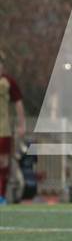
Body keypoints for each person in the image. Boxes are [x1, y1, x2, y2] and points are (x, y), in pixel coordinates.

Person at [0, 50, 26, 204]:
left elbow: (18, 103)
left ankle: (1, 195)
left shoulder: (8, 81)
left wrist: (22, 124)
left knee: (3, 162)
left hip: (3, 129)